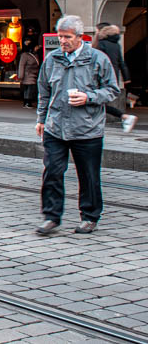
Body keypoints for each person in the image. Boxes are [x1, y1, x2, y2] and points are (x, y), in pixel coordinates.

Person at [35, 15, 119, 236]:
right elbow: (44, 92)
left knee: (88, 174)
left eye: (67, 37)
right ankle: (52, 216)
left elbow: (112, 90)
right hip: (56, 126)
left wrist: (88, 97)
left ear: (80, 37)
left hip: (87, 129)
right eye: (60, 36)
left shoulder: (97, 59)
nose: (63, 41)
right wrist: (41, 119)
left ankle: (90, 217)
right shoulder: (52, 59)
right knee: (52, 171)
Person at [94, 25, 136, 132]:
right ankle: (124, 117)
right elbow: (121, 62)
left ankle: (124, 117)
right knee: (99, 102)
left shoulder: (101, 44)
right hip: (112, 77)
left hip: (99, 77)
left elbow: (95, 60)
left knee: (96, 102)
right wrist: (126, 78)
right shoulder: (116, 45)